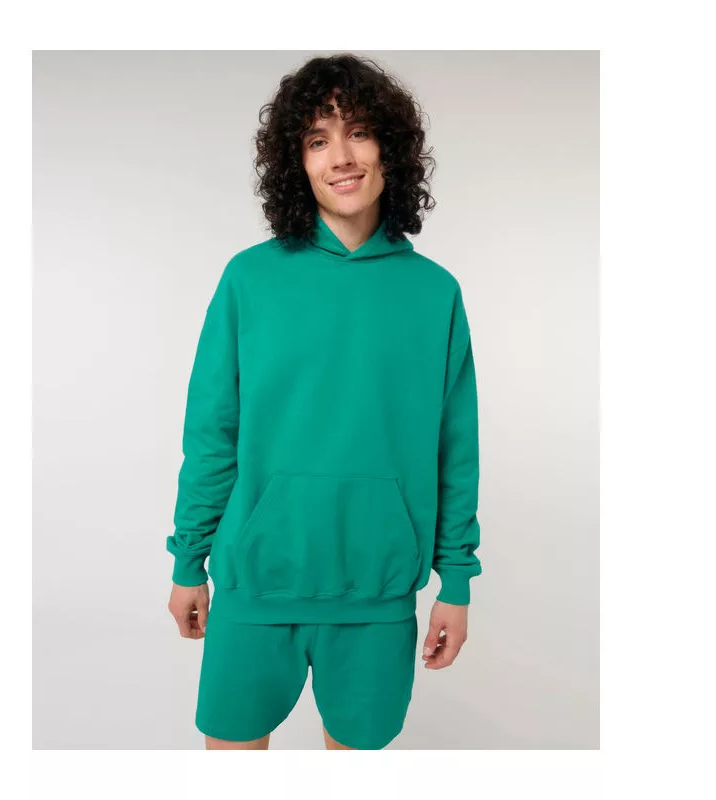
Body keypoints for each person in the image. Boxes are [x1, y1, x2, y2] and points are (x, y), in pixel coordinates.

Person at [166, 53, 482, 750]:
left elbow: (455, 449)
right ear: (297, 162)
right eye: (317, 140)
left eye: (358, 132)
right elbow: (213, 432)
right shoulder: (250, 279)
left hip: (377, 596)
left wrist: (456, 581)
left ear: (391, 149)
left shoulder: (435, 293)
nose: (340, 157)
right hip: (256, 585)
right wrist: (188, 560)